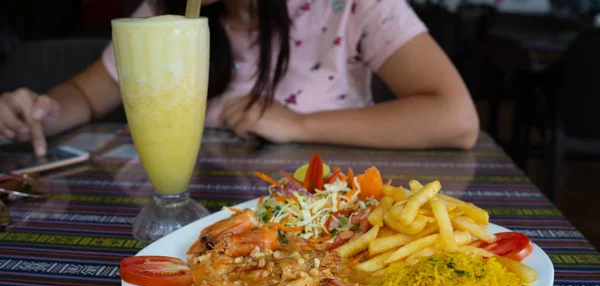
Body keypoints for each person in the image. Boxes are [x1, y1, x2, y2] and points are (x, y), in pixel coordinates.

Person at [0, 0, 479, 156]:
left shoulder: (353, 6)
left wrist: (299, 125)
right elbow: (86, 93)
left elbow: (455, 119)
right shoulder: (163, 15)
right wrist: (40, 112)